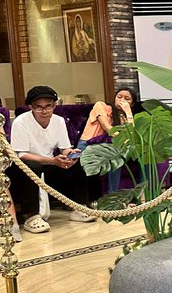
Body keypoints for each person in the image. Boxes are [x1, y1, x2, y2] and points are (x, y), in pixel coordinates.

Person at [9, 85, 96, 233]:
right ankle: (31, 216)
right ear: (31, 107)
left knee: (79, 162)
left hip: (49, 163)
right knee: (32, 165)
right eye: (39, 107)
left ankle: (80, 207)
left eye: (48, 106)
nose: (44, 111)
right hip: (24, 166)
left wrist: (70, 153)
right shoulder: (21, 122)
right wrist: (52, 161)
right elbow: (21, 155)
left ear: (54, 105)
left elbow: (64, 148)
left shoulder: (59, 121)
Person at [78, 88, 141, 192]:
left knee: (119, 156)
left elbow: (131, 134)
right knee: (115, 155)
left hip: (109, 147)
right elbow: (106, 127)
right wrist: (124, 140)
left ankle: (144, 194)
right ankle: (112, 195)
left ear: (132, 104)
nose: (122, 100)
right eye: (119, 97)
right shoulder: (101, 106)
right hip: (88, 145)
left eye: (127, 99)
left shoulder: (124, 117)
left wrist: (128, 112)